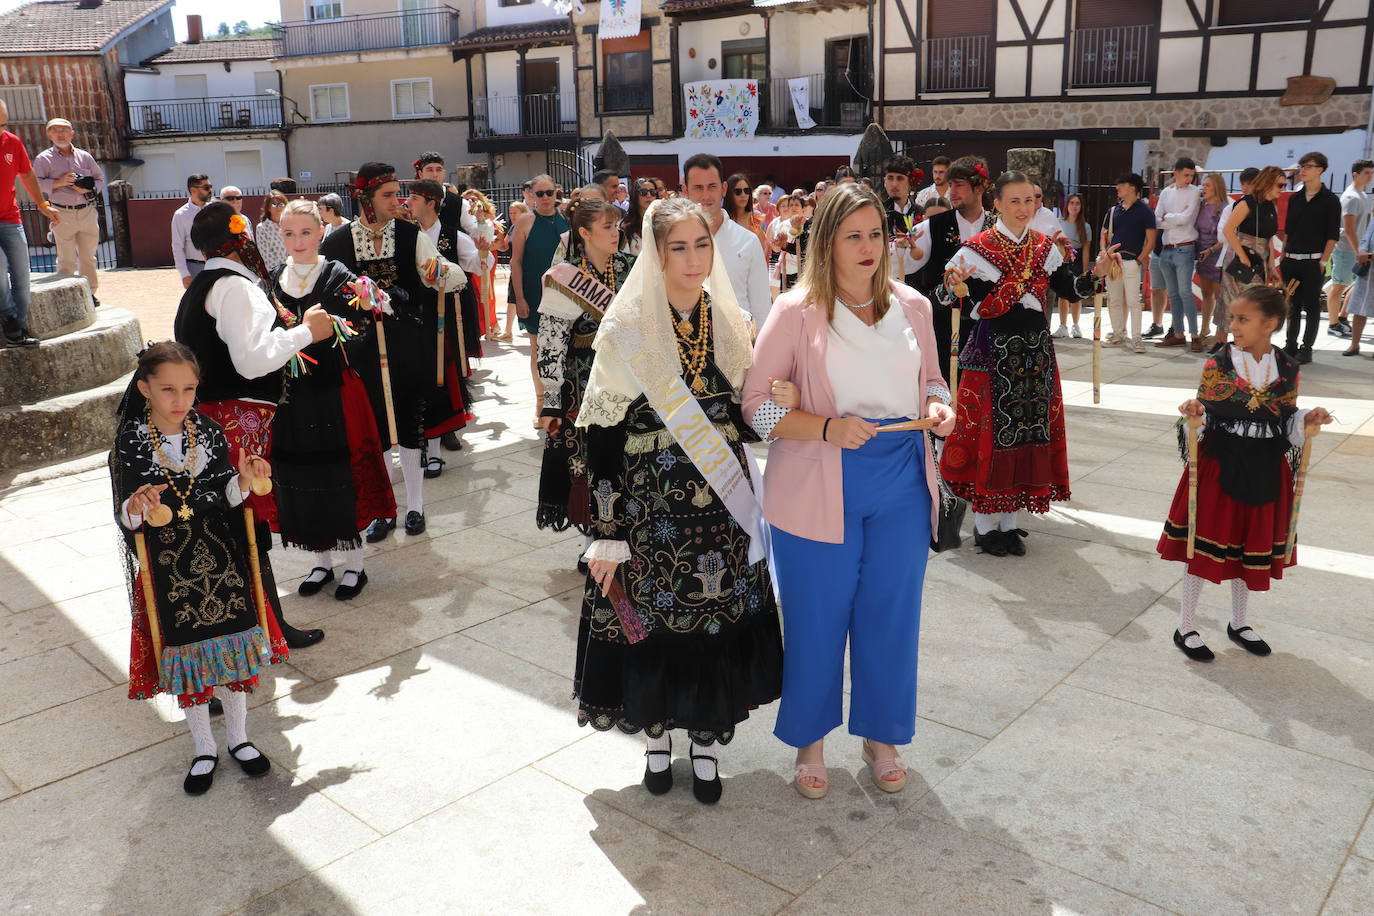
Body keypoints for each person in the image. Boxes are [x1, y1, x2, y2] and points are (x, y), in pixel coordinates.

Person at [742, 183, 955, 799]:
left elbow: (935, 382)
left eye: (876, 234)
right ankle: (810, 740)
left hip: (903, 481)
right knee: (816, 617)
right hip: (817, 479)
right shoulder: (796, 310)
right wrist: (827, 427)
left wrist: (940, 410)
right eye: (852, 236)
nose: (868, 248)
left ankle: (881, 734)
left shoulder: (914, 306)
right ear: (826, 242)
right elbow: (754, 409)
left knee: (891, 615)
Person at [574, 198, 782, 805]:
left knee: (713, 615)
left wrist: (785, 412)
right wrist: (607, 529)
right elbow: (602, 429)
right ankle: (657, 740)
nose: (694, 259)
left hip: (720, 503)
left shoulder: (729, 319)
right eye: (679, 248)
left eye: (702, 245)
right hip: (649, 499)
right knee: (653, 618)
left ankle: (707, 744)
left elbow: (748, 417)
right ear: (655, 253)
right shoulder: (628, 325)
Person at [112, 341, 287, 794]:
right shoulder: (131, 440)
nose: (180, 400)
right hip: (169, 567)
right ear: (145, 388)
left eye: (189, 389)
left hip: (220, 556)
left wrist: (245, 480)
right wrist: (136, 505)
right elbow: (125, 515)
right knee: (187, 653)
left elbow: (227, 493)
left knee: (230, 649)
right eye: (168, 389)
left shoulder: (207, 432)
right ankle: (204, 745)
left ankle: (239, 738)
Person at [173, 201, 333, 648]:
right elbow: (250, 360)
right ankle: (263, 631)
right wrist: (306, 331)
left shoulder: (204, 283)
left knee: (239, 527)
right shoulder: (235, 288)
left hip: (218, 419)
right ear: (241, 242)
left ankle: (264, 626)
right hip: (234, 422)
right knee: (244, 525)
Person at [938, 171, 1114, 556]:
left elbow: (1070, 290)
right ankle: (985, 526)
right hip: (992, 354)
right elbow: (946, 295)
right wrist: (954, 286)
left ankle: (1011, 523)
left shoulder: (1044, 247)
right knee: (991, 436)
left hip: (1034, 354)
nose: (1023, 208)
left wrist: (1096, 275)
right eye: (1014, 201)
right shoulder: (975, 249)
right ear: (997, 204)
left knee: (1029, 432)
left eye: (1029, 201)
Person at [1158, 285, 1333, 661]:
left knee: (1246, 546)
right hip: (1221, 463)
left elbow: (1286, 419)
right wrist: (1196, 412)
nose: (1232, 325)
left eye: (1242, 319)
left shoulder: (1287, 368)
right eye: (1231, 318)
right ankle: (1185, 625)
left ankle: (1239, 622)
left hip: (1264, 466)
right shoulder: (1218, 364)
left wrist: (1307, 418)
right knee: (1204, 547)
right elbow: (1206, 408)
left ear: (1268, 324)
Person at [320, 162, 467, 541]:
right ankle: (384, 509)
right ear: (365, 198)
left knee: (408, 424)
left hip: (407, 344)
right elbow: (326, 293)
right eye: (387, 194)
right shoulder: (336, 242)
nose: (396, 200)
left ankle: (415, 506)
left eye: (396, 193)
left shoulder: (409, 234)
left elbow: (448, 273)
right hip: (361, 349)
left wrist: (440, 275)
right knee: (377, 431)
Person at [270, 200, 395, 600]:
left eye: (305, 232)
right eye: (289, 233)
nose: (298, 241)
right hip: (293, 397)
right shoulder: (272, 280)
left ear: (320, 232)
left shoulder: (338, 274)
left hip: (335, 392)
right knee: (306, 477)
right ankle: (321, 562)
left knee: (341, 475)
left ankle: (355, 565)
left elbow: (359, 330)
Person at [535, 196, 633, 535]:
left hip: (630, 380)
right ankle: (592, 537)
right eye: (606, 227)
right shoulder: (566, 275)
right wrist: (551, 398)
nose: (615, 232)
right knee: (587, 461)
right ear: (584, 233)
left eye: (616, 225)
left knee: (626, 457)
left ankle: (625, 530)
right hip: (583, 383)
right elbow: (550, 340)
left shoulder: (632, 268)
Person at [406, 179, 480, 476]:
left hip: (444, 315)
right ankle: (422, 439)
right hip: (412, 315)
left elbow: (473, 264)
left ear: (430, 202)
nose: (407, 202)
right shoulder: (404, 234)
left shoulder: (452, 235)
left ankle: (442, 434)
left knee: (444, 374)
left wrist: (486, 252)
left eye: (412, 198)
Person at [912, 155, 997, 381]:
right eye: (950, 185)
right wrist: (903, 249)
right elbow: (907, 262)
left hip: (988, 328)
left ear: (979, 187)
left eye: (959, 184)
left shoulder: (998, 228)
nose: (952, 191)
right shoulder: (934, 225)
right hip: (946, 329)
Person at [682, 154, 772, 327]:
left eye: (712, 186)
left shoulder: (748, 241)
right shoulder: (673, 243)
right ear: (686, 191)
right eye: (698, 188)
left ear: (723, 189)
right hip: (687, 345)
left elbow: (761, 305)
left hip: (739, 342)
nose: (706, 195)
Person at [0, 99, 60, 347]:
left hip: (10, 218)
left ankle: (21, 327)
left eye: (2, 123)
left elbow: (26, 173)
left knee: (23, 275)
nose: (0, 128)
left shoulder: (11, 142)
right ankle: (9, 319)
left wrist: (42, 204)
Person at [511, 174, 569, 419]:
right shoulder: (525, 222)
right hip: (534, 295)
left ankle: (563, 400)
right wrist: (520, 298)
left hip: (564, 295)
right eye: (540, 193)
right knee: (538, 350)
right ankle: (541, 402)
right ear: (532, 196)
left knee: (563, 350)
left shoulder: (566, 221)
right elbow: (516, 262)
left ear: (556, 193)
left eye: (550, 192)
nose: (546, 198)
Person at [33, 117, 105, 304]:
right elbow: (36, 182)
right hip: (61, 212)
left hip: (87, 210)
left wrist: (88, 189)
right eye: (55, 130)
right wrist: (60, 182)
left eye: (64, 130)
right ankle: (66, 296)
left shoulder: (84, 156)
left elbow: (99, 179)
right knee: (66, 258)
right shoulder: (43, 159)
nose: (60, 134)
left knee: (88, 257)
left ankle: (90, 294)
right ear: (49, 134)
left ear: (72, 133)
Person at [1280, 152, 1342, 364]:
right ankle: (1290, 344)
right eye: (1302, 166)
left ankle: (1307, 348)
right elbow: (1288, 229)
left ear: (1320, 169)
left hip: (1313, 261)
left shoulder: (1331, 200)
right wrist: (1283, 255)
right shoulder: (1295, 198)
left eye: (1308, 166)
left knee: (1311, 306)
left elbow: (1333, 235)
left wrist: (1323, 261)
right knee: (1292, 305)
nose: (1302, 170)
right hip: (1291, 260)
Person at [1221, 165, 1284, 353]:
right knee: (1245, 303)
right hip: (1244, 259)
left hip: (1261, 259)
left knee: (1257, 303)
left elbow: (1269, 238)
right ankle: (1239, 347)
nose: (1282, 189)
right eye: (1279, 185)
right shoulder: (1246, 203)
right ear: (1268, 183)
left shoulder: (1271, 206)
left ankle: (1250, 346)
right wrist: (1242, 256)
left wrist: (1272, 265)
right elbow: (1228, 230)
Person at [1100, 173, 1158, 353]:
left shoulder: (1145, 211)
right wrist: (1106, 254)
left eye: (1121, 184)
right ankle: (1118, 335)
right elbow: (1104, 234)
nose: (1117, 188)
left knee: (1133, 301)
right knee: (1114, 300)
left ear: (1132, 187)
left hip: (1131, 261)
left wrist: (1138, 260)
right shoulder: (1113, 211)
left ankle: (1137, 339)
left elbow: (1151, 240)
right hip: (1114, 261)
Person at [1153, 158, 1203, 350]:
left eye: (1192, 175)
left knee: (1184, 292)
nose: (1190, 178)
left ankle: (1195, 335)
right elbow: (1157, 220)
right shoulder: (1166, 192)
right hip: (1167, 249)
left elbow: (1186, 218)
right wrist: (1172, 218)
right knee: (1173, 294)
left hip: (1184, 247)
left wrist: (1168, 217)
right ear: (1176, 173)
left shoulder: (1194, 192)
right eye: (1186, 174)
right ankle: (1179, 334)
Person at [1213, 167, 1260, 351]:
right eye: (1243, 183)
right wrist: (1242, 246)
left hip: (1252, 259)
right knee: (1227, 302)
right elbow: (1223, 234)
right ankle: (1221, 343)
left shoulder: (1263, 205)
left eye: (1249, 183)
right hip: (1234, 259)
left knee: (1247, 303)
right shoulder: (1236, 205)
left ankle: (1243, 342)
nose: (1245, 187)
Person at [1329, 159, 1373, 338]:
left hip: (1356, 250)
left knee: (1352, 284)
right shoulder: (1351, 197)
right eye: (1366, 173)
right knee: (1339, 286)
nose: (1370, 177)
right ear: (1356, 174)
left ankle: (1342, 317)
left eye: (1371, 173)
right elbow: (1348, 228)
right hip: (1347, 249)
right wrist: (1358, 252)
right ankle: (1333, 324)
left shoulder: (1361, 195)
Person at [1193, 173, 1227, 346]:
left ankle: (1218, 334)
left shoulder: (1224, 208)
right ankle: (1204, 329)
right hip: (1202, 254)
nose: (1203, 188)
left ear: (1217, 188)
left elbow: (1227, 235)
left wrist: (1211, 249)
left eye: (1207, 185)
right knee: (1206, 294)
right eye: (1203, 185)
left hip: (1217, 254)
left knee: (1218, 295)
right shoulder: (1200, 206)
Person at [882, 155, 925, 289]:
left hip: (917, 282)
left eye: (900, 178)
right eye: (890, 178)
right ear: (884, 181)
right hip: (886, 280)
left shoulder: (920, 213)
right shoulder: (878, 213)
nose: (894, 184)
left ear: (910, 182)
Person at [1053, 192, 1090, 338]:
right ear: (1067, 205)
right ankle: (1063, 326)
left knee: (1077, 292)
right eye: (1072, 203)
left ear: (1081, 207)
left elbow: (1086, 248)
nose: (1074, 206)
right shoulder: (1059, 223)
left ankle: (1076, 325)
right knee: (1062, 293)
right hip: (1063, 258)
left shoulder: (1085, 227)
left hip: (1078, 259)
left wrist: (1085, 270)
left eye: (1077, 203)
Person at [1343, 213, 1374, 356]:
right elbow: (1366, 238)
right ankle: (1354, 345)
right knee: (1358, 308)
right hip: (1367, 269)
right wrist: (1361, 251)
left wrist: (1368, 256)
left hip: (1368, 261)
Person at [723, 172, 768, 258]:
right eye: (738, 191)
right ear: (729, 194)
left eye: (747, 191)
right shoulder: (722, 218)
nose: (743, 195)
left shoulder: (756, 219)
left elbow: (761, 250)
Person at [255, 190, 289, 273]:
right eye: (274, 204)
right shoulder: (262, 228)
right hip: (276, 274)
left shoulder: (291, 225)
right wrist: (282, 272)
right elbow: (267, 256)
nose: (278, 207)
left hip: (295, 271)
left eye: (281, 204)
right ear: (268, 208)